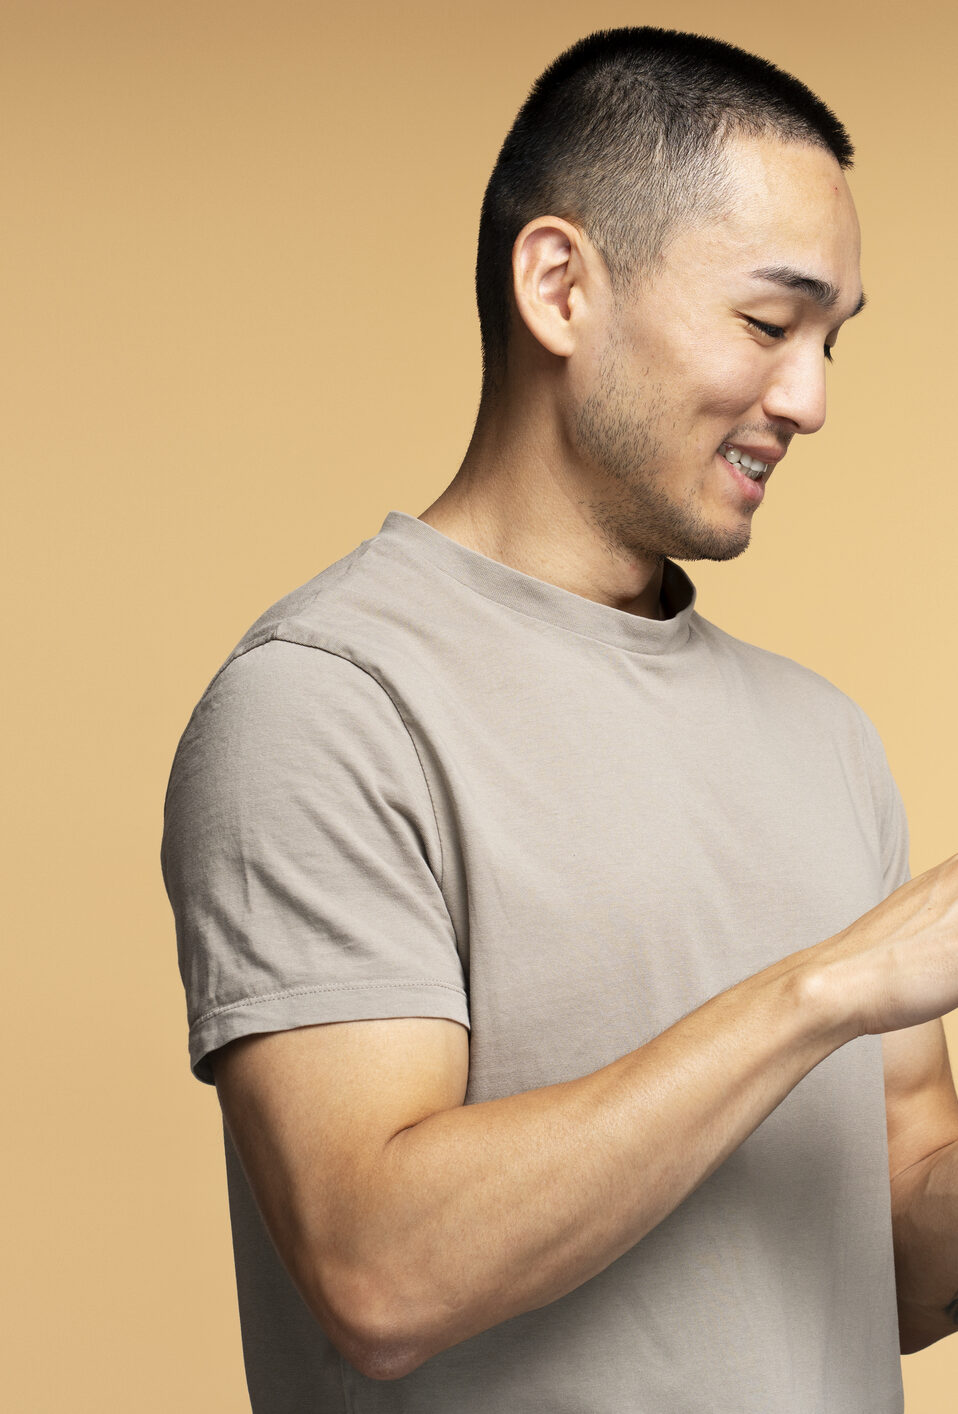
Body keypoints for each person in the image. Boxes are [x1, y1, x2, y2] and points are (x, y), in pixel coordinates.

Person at [161, 26, 958, 1413]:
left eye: (831, 341)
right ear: (557, 285)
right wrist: (820, 988)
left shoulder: (824, 737)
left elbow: (897, 1263)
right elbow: (379, 1272)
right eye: (769, 325)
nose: (810, 399)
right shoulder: (326, 701)